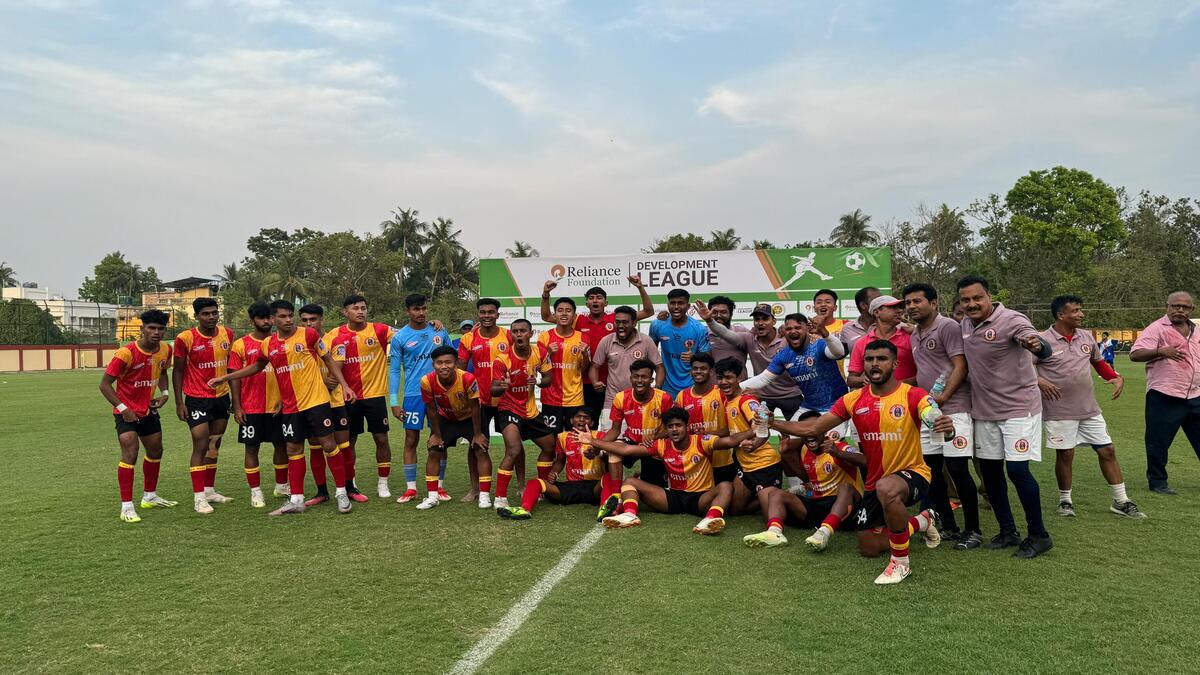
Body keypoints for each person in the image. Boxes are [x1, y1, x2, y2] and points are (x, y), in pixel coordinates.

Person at [770, 340, 949, 585]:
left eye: (882, 359)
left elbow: (934, 418)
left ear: (895, 364)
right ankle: (922, 520)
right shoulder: (852, 400)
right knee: (869, 546)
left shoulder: (914, 395)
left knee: (888, 488)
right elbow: (813, 428)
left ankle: (901, 564)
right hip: (875, 482)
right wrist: (773, 423)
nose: (875, 364)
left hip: (912, 473)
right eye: (869, 359)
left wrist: (945, 426)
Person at [210, 300, 357, 516]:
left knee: (328, 444)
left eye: (290, 315)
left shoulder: (308, 335)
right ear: (272, 319)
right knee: (293, 450)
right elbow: (256, 367)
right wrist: (226, 377)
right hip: (290, 407)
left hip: (316, 402)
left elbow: (328, 359)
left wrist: (345, 386)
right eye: (282, 316)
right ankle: (296, 500)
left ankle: (341, 493)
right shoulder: (268, 344)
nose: (288, 320)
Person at [957, 275, 1054, 558]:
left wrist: (1036, 344)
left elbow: (1039, 343)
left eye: (977, 298)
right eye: (965, 300)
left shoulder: (1012, 320)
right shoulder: (964, 325)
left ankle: (1039, 535)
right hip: (985, 410)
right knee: (990, 472)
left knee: (1017, 471)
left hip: (1018, 409)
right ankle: (1008, 531)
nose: (972, 304)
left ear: (989, 297)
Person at [1038, 295, 1144, 519]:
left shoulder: (1086, 336)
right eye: (1076, 311)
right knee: (1066, 454)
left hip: (1089, 408)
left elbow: (1098, 362)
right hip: (1059, 409)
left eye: (1081, 310)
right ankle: (1065, 501)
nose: (1081, 314)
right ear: (1060, 315)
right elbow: (1025, 367)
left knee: (1107, 450)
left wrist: (1114, 377)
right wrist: (1040, 380)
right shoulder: (1043, 340)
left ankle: (1121, 501)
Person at [903, 283, 982, 549]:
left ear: (934, 302)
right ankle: (949, 526)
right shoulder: (915, 333)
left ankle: (973, 530)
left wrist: (945, 396)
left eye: (917, 301)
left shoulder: (947, 326)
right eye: (908, 303)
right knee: (932, 471)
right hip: (929, 412)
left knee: (958, 469)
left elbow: (961, 365)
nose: (912, 306)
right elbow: (924, 373)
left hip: (955, 409)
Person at [592, 408, 757, 534]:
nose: (674, 430)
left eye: (678, 425)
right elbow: (627, 450)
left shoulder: (702, 441)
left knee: (726, 486)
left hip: (700, 498)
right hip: (673, 498)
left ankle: (710, 520)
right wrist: (593, 441)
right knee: (630, 482)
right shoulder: (662, 445)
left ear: (687, 427)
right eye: (670, 426)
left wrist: (752, 430)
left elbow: (730, 441)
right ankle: (629, 515)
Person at [737, 313, 848, 487]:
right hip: (808, 407)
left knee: (828, 446)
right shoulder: (784, 355)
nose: (793, 331)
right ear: (784, 332)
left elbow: (839, 352)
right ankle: (802, 486)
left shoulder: (819, 345)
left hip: (835, 407)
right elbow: (764, 379)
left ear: (806, 329)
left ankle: (838, 486)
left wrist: (825, 333)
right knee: (787, 447)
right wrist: (734, 389)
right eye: (789, 328)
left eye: (797, 327)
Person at [540, 275, 654, 422]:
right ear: (586, 303)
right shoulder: (577, 319)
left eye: (599, 298)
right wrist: (546, 294)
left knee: (616, 423)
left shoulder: (616, 319)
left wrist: (640, 287)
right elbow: (546, 316)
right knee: (588, 423)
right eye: (591, 298)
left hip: (612, 383)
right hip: (586, 383)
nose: (595, 301)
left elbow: (648, 312)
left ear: (605, 303)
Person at [100, 309, 176, 523]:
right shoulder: (126, 353)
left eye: (161, 329)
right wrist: (123, 408)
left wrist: (165, 393)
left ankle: (150, 497)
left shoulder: (166, 350)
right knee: (130, 452)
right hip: (125, 412)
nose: (157, 332)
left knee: (156, 450)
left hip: (148, 410)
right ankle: (126, 507)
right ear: (142, 329)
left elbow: (163, 371)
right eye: (152, 328)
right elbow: (105, 385)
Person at [746, 411, 863, 550]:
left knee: (846, 487)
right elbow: (807, 478)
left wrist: (839, 454)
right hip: (817, 504)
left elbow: (865, 461)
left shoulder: (839, 446)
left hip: (845, 506)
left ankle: (824, 533)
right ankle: (774, 532)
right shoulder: (805, 450)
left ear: (824, 429)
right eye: (805, 430)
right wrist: (785, 455)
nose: (809, 434)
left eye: (813, 428)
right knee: (775, 493)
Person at [323, 295, 395, 502]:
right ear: (345, 312)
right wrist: (326, 379)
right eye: (355, 308)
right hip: (347, 397)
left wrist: (433, 325)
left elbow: (407, 335)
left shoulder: (380, 330)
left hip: (374, 396)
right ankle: (351, 482)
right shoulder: (334, 334)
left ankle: (383, 483)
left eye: (363, 308)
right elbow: (320, 355)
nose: (360, 311)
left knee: (381, 439)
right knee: (348, 442)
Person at [1128, 291, 1200, 494]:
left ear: (1192, 309)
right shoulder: (1157, 328)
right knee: (1158, 442)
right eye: (1175, 306)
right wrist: (1160, 351)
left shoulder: (1196, 331)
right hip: (1165, 395)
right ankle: (1158, 482)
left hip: (1195, 394)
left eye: (1185, 307)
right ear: (1167, 306)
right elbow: (1135, 354)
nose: (1180, 310)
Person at [710, 358, 788, 544]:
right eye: (720, 378)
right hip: (745, 467)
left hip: (764, 465)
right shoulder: (728, 400)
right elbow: (732, 431)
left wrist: (754, 445)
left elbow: (763, 430)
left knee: (770, 515)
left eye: (728, 377)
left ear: (739, 378)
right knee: (735, 510)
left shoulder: (748, 401)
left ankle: (782, 498)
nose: (724, 382)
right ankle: (763, 494)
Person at [172, 297, 237, 513]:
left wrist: (235, 400)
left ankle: (209, 490)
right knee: (200, 443)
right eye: (205, 314)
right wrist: (179, 402)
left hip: (221, 397)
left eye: (214, 313)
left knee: (214, 444)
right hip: (197, 398)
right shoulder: (185, 338)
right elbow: (178, 371)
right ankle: (199, 497)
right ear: (196, 316)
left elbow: (231, 368)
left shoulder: (227, 334)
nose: (211, 317)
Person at [389, 293, 453, 504]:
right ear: (407, 311)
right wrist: (394, 402)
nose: (421, 313)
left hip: (440, 393)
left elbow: (452, 359)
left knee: (440, 438)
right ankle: (411, 489)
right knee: (411, 439)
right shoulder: (400, 337)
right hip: (413, 395)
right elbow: (395, 371)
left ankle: (439, 486)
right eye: (416, 309)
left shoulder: (439, 330)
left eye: (424, 308)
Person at [491, 319, 557, 511]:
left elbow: (548, 378)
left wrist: (538, 381)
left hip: (530, 411)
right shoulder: (502, 358)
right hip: (509, 409)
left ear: (531, 333)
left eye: (522, 331)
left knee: (550, 446)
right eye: (515, 331)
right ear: (511, 335)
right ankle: (500, 497)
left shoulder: (540, 352)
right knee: (513, 449)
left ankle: (543, 487)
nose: (518, 334)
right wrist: (502, 386)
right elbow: (493, 389)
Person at [229, 302, 287, 509]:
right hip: (251, 406)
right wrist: (237, 406)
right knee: (252, 448)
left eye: (269, 317)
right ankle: (256, 491)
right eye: (262, 318)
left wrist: (286, 399)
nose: (267, 321)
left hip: (279, 405)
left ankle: (282, 486)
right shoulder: (240, 345)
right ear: (252, 321)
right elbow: (234, 377)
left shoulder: (281, 342)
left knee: (282, 445)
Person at [699, 303, 803, 421]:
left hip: (790, 394)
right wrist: (710, 321)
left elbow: (805, 336)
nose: (760, 323)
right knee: (760, 426)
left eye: (765, 319)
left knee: (798, 428)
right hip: (762, 397)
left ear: (774, 321)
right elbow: (726, 333)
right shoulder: (749, 338)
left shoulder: (786, 338)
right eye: (757, 319)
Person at [418, 346, 491, 510]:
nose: (444, 366)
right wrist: (436, 435)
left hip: (470, 418)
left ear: (456, 363)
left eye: (448, 362)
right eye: (439, 363)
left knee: (480, 449)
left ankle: (484, 496)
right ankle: (432, 497)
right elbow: (431, 409)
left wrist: (477, 434)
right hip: (446, 418)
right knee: (434, 450)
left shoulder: (467, 378)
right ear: (433, 364)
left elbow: (475, 407)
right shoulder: (426, 381)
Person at [498, 409, 606, 519]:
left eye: (586, 418)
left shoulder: (601, 436)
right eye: (578, 417)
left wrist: (597, 452)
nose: (582, 420)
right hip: (571, 486)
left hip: (595, 487)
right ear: (571, 420)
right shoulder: (562, 437)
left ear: (592, 423)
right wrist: (554, 472)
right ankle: (525, 509)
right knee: (536, 482)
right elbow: (560, 461)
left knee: (608, 479)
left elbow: (608, 459)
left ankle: (605, 511)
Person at [457, 298, 512, 502]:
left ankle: (522, 485)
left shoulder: (508, 335)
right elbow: (461, 370)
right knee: (476, 444)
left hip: (506, 400)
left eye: (491, 312)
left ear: (498, 314)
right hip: (478, 401)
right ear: (478, 314)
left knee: (513, 444)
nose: (486, 315)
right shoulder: (468, 338)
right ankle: (475, 489)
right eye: (483, 312)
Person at [299, 304, 353, 508]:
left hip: (335, 401)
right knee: (315, 448)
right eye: (304, 320)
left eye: (313, 320)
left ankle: (349, 488)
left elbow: (334, 375)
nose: (308, 324)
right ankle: (321, 492)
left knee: (343, 446)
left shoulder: (335, 341)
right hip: (311, 403)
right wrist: (318, 383)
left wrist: (318, 382)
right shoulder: (299, 343)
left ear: (322, 320)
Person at [603, 359, 675, 495]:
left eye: (644, 377)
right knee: (611, 451)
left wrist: (655, 436)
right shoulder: (620, 398)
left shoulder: (664, 398)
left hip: (654, 444)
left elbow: (671, 429)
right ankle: (616, 495)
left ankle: (640, 477)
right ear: (631, 378)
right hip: (632, 441)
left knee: (653, 488)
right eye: (636, 376)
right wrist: (597, 446)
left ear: (651, 379)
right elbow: (615, 430)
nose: (639, 380)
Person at [589, 305, 664, 423]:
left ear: (634, 323)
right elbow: (594, 366)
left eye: (625, 322)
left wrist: (658, 387)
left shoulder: (646, 341)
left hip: (641, 402)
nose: (620, 326)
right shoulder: (606, 341)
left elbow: (659, 367)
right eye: (617, 322)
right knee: (610, 434)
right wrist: (594, 382)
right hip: (612, 401)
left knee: (639, 435)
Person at [536, 296, 592, 437]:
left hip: (575, 398)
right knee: (551, 439)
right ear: (554, 314)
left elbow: (583, 369)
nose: (564, 313)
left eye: (568, 310)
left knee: (574, 438)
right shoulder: (544, 337)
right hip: (550, 398)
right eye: (560, 310)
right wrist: (548, 353)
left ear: (574, 315)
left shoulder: (583, 338)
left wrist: (585, 356)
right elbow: (537, 367)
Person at [674, 352, 731, 481]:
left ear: (711, 372)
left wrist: (706, 434)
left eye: (703, 368)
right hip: (694, 461)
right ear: (691, 371)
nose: (698, 372)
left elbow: (731, 430)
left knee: (726, 491)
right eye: (695, 368)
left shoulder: (722, 394)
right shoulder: (682, 396)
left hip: (722, 461)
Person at [649, 288, 710, 397]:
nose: (676, 306)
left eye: (681, 303)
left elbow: (708, 359)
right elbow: (651, 354)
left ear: (688, 306)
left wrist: (695, 358)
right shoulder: (657, 325)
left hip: (692, 386)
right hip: (666, 387)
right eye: (673, 303)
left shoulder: (699, 329)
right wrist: (657, 382)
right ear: (668, 305)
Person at [847, 295, 917, 389]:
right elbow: (851, 380)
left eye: (899, 307)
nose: (899, 311)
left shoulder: (911, 338)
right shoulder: (861, 343)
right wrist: (863, 380)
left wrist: (896, 387)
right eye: (893, 307)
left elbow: (925, 372)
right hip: (876, 397)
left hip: (908, 395)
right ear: (876, 312)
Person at [705, 295, 750, 377]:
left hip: (740, 384)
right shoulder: (702, 333)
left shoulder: (742, 331)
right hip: (712, 384)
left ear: (731, 314)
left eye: (723, 312)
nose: (718, 315)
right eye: (714, 312)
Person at [839, 286, 881, 355]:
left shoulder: (890, 325)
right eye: (877, 301)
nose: (881, 304)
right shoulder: (847, 328)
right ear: (863, 305)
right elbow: (840, 354)